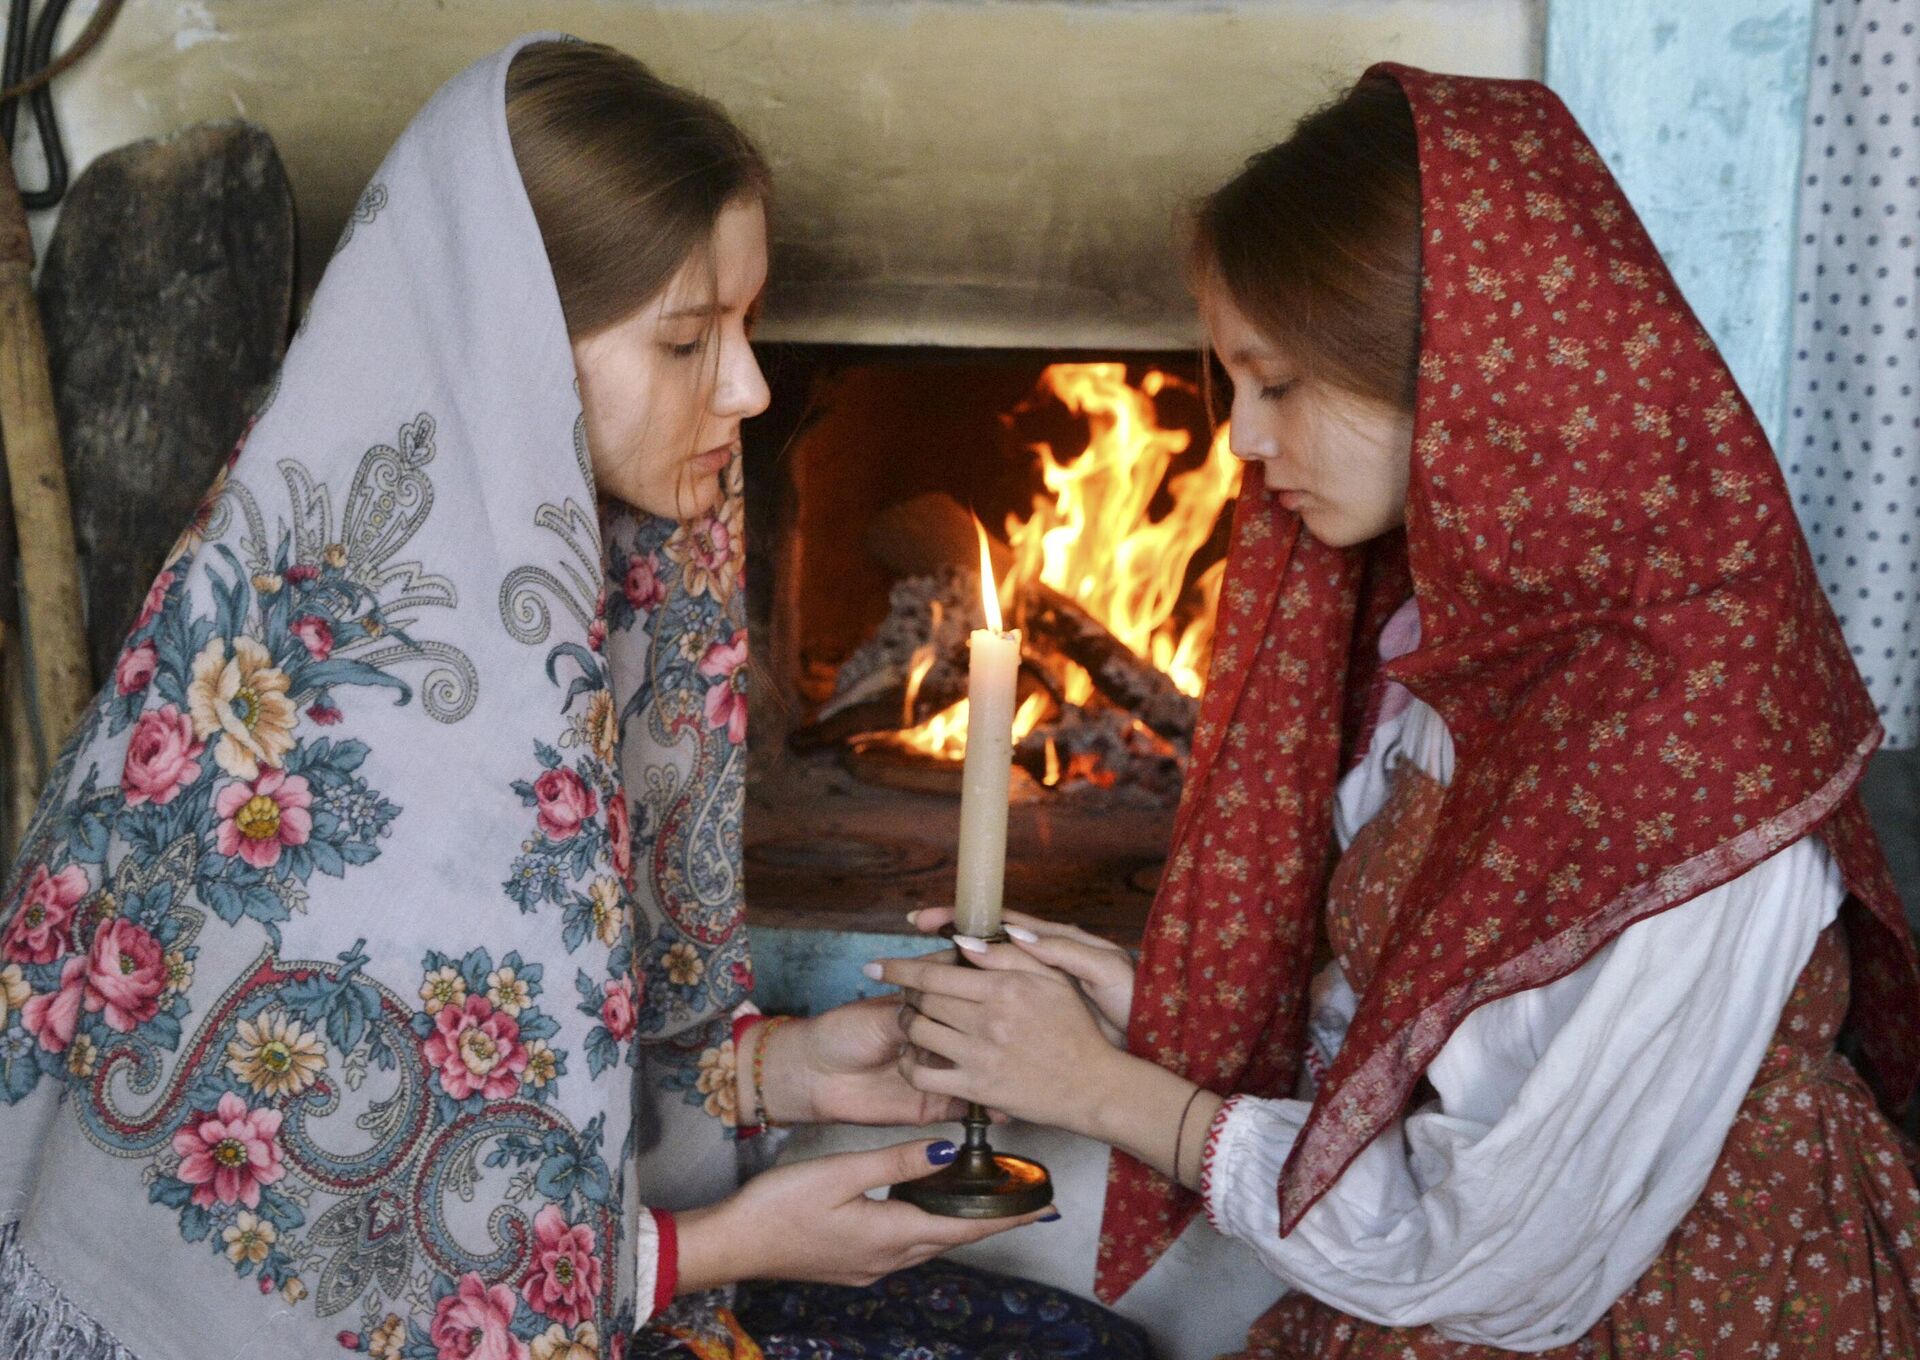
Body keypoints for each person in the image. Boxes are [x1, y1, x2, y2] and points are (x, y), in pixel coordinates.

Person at [0, 37, 1142, 1360]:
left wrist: (779, 1071)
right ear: (513, 354)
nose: (754, 389)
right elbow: (310, 1275)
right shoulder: (365, 718)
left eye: (751, 325)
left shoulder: (559, 622)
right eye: (686, 341)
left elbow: (517, 1109)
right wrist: (752, 1241)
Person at [876, 65, 1920, 1356]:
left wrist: (1109, 1092)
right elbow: (1425, 1047)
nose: (1242, 442)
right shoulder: (1475, 642)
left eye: (1281, 383)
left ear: (1468, 375)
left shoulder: (1688, 741)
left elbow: (1484, 1251)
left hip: (1640, 1312)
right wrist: (1141, 1008)